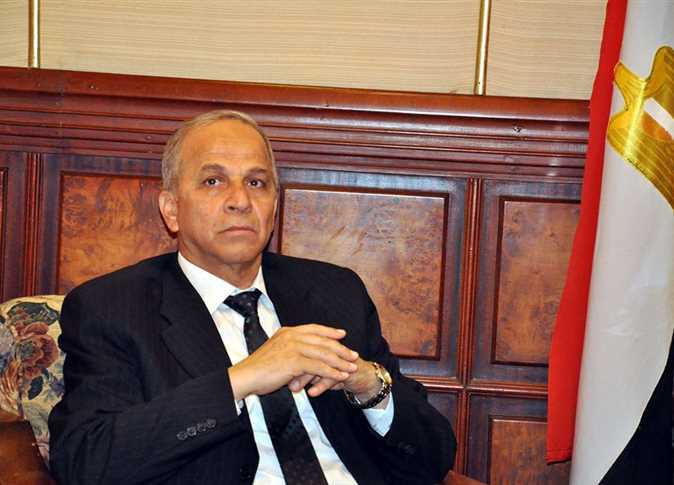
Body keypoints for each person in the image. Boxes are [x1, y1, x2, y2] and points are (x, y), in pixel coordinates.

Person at [48, 110, 456, 484]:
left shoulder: (335, 292)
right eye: (213, 181)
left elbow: (433, 455)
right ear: (171, 209)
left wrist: (368, 385)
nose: (240, 201)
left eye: (256, 183)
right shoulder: (113, 308)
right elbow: (86, 462)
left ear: (274, 206)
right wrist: (241, 380)